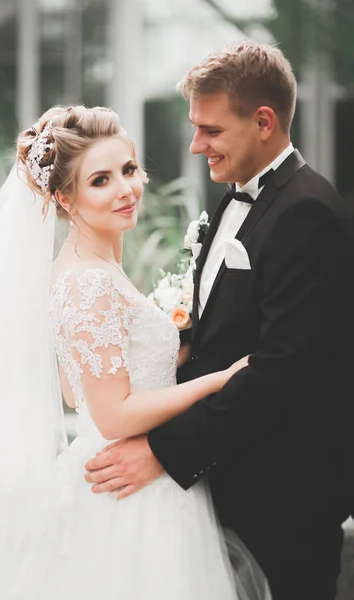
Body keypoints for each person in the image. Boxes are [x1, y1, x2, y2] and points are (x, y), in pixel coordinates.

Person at [0, 104, 271, 600]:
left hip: (129, 478)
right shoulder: (88, 284)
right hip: (129, 499)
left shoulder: (87, 268)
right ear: (65, 197)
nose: (125, 189)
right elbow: (114, 416)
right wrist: (218, 379)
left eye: (127, 169)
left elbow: (77, 385)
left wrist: (174, 345)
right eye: (100, 180)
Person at [84, 42, 354, 600]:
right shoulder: (236, 199)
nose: (194, 145)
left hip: (284, 501)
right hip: (224, 483)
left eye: (210, 130)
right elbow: (218, 336)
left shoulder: (308, 212)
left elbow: (282, 370)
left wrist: (162, 452)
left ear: (263, 122)